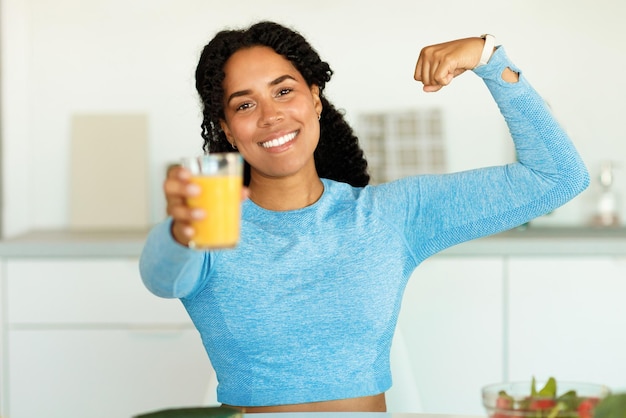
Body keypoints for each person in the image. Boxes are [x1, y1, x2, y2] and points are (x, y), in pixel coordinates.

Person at [139, 21, 589, 413]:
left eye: (283, 91)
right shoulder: (211, 226)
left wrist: (490, 58)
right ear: (227, 130)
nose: (271, 115)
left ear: (315, 99)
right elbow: (161, 276)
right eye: (245, 104)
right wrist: (183, 230)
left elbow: (557, 177)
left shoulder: (389, 216)